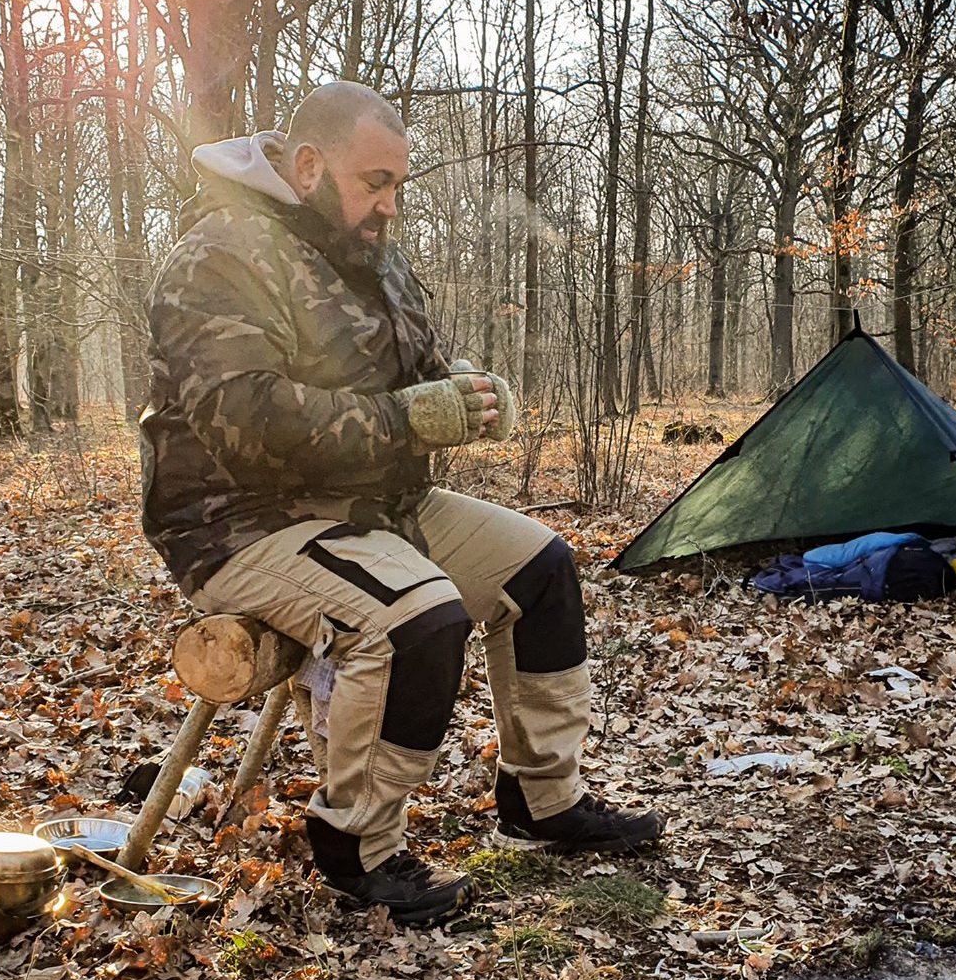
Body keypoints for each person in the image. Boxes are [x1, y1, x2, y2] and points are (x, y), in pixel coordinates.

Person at [139, 81, 662, 926]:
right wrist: (409, 417)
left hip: (377, 504)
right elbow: (245, 421)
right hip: (240, 523)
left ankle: (543, 796)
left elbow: (412, 375)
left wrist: (465, 391)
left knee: (544, 569)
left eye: (398, 187)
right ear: (309, 166)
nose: (389, 204)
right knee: (420, 619)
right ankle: (357, 843)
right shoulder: (218, 257)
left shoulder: (370, 252)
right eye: (375, 181)